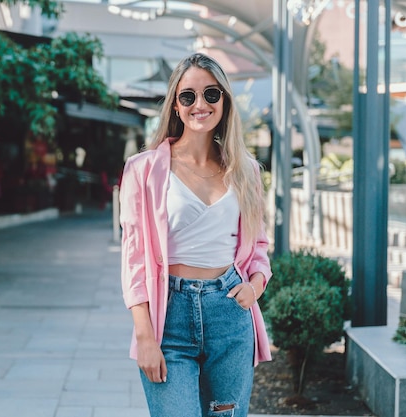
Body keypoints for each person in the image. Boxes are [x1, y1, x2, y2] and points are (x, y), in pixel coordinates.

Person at [119, 52, 272, 417]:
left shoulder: (245, 171)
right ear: (175, 104)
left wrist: (255, 287)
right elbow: (134, 258)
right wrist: (144, 334)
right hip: (167, 318)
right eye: (188, 95)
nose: (199, 104)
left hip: (230, 314)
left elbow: (259, 246)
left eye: (211, 94)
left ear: (225, 100)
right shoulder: (143, 170)